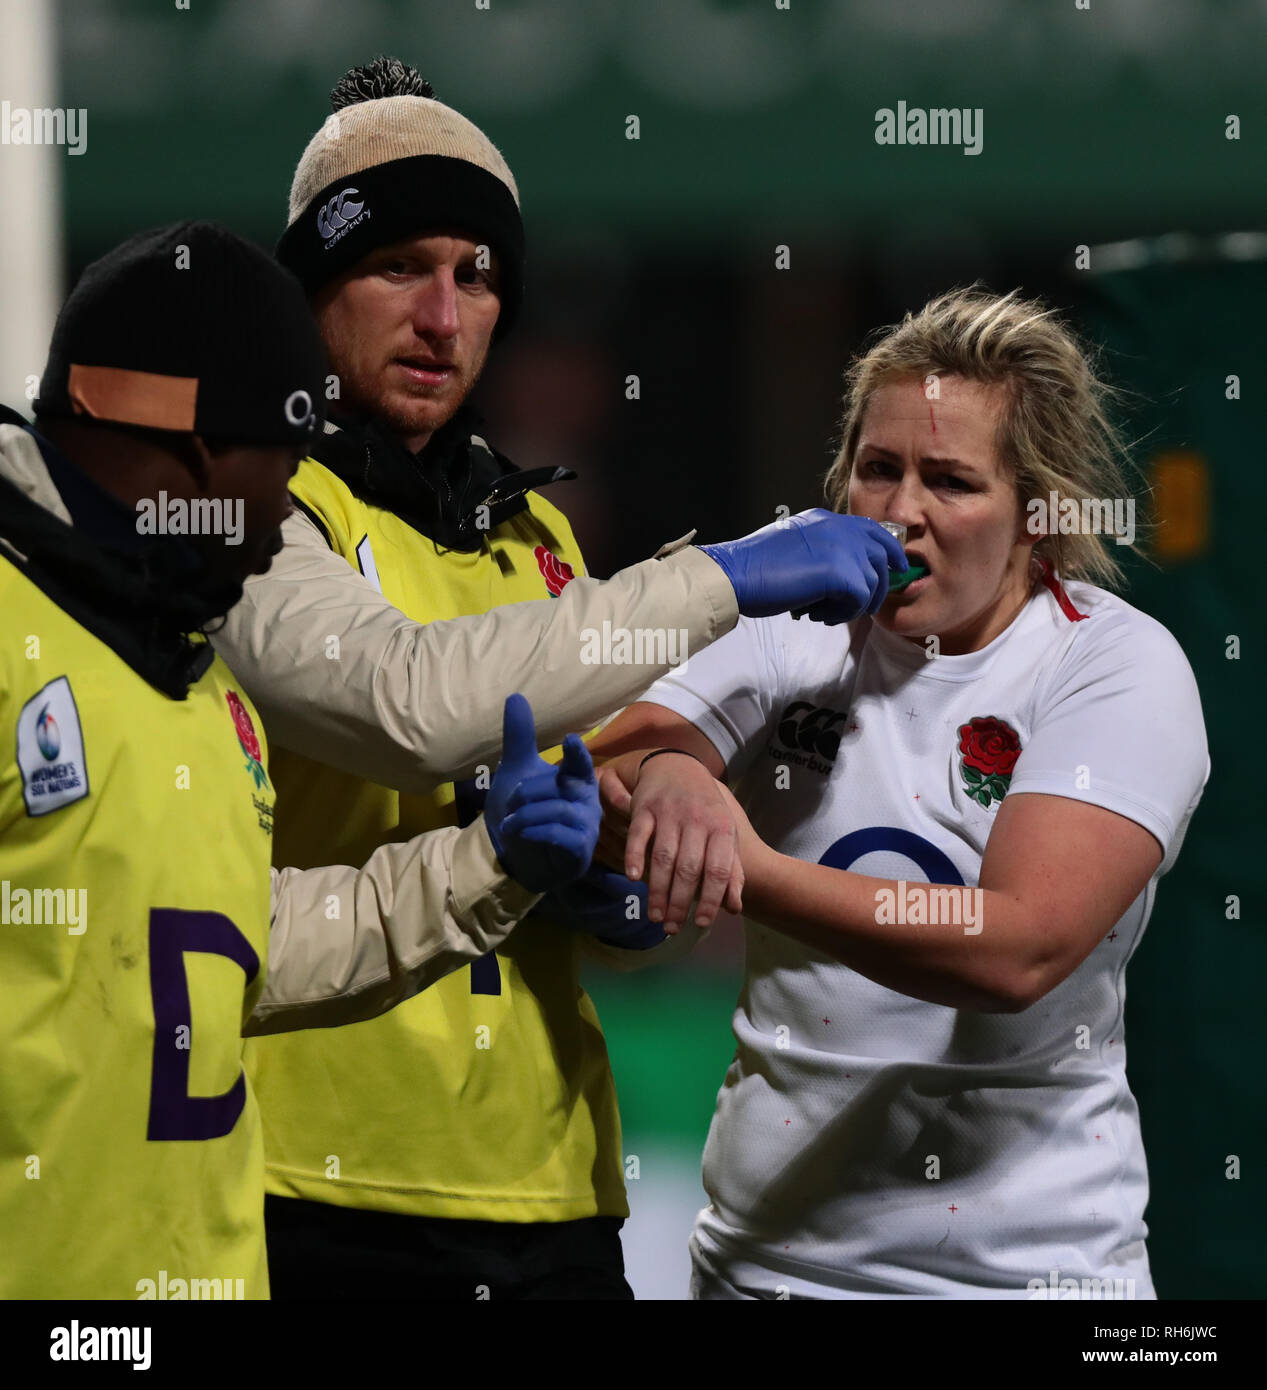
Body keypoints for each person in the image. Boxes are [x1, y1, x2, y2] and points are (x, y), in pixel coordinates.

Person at [207, 56, 906, 1299]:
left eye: (476, 276)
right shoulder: (251, 504)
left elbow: (549, 857)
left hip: (550, 1180)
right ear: (308, 290)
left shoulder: (535, 544)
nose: (443, 315)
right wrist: (726, 575)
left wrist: (610, 886)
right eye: (397, 267)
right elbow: (405, 704)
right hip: (314, 1181)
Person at [0, 222, 604, 1299]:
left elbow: (252, 949)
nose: (289, 507)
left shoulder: (198, 679)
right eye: (278, 462)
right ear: (188, 449)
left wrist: (489, 863)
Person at [587, 287, 1210, 1299]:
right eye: (878, 469)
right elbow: (602, 768)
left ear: (1037, 514)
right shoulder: (795, 620)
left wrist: (747, 870)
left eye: (950, 480)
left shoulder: (1113, 666)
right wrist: (670, 771)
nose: (899, 510)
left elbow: (1017, 947)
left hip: (1025, 1279)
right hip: (765, 1268)